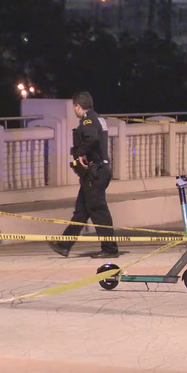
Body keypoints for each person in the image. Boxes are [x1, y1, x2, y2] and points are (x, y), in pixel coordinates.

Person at [48, 92, 119, 258]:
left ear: (78, 106)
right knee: (81, 211)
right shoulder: (97, 118)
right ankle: (64, 245)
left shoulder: (88, 120)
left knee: (98, 209)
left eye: (75, 107)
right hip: (97, 172)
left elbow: (92, 138)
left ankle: (110, 249)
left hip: (96, 172)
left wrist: (81, 153)